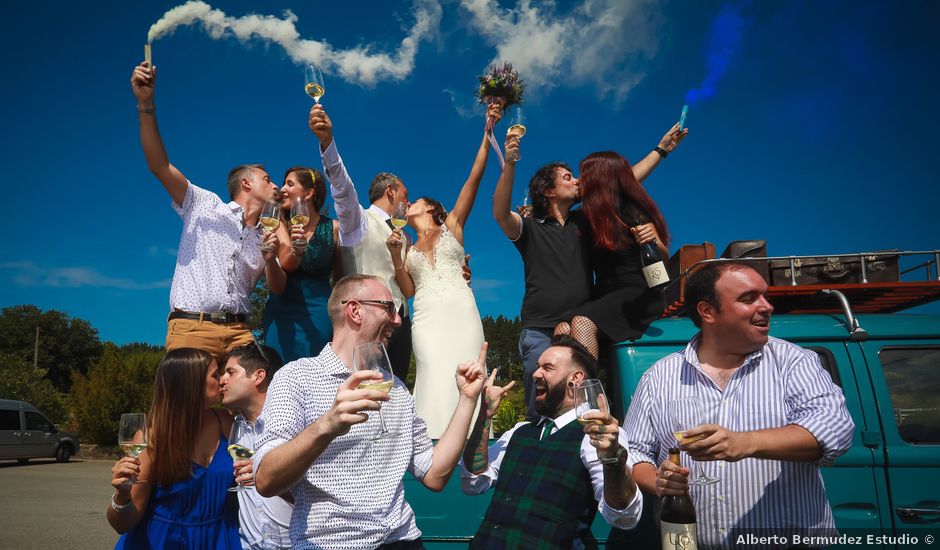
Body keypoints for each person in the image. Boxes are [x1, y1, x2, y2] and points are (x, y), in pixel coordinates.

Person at [624, 262, 855, 548]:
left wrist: (744, 443)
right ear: (708, 311)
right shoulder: (659, 377)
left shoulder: (794, 362)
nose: (767, 306)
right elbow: (633, 451)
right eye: (749, 298)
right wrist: (658, 481)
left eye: (765, 296)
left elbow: (836, 430)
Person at [253, 274, 489, 549]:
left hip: (403, 540)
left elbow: (435, 475)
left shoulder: (396, 388)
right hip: (330, 544)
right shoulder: (295, 377)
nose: (398, 320)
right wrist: (327, 426)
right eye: (389, 307)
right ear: (354, 310)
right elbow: (266, 480)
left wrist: (467, 400)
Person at [492, 124, 686, 420]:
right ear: (549, 191)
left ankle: (592, 422)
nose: (578, 181)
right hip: (540, 328)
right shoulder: (529, 228)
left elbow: (620, 180)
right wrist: (509, 163)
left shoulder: (585, 221)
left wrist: (660, 151)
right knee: (542, 407)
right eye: (568, 178)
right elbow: (500, 212)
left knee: (574, 403)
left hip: (580, 323)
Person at [130, 61, 285, 359]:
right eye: (267, 179)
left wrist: (271, 260)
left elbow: (277, 287)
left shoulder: (267, 235)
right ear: (246, 184)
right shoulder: (203, 204)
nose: (275, 186)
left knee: (254, 400)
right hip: (192, 328)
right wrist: (146, 104)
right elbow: (159, 166)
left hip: (240, 333)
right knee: (187, 407)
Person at [385, 102, 502, 437]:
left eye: (415, 201)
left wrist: (487, 134)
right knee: (433, 373)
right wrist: (396, 255)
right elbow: (408, 290)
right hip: (425, 317)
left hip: (461, 311)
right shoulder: (405, 243)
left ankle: (475, 448)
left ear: (431, 207)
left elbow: (474, 178)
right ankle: (430, 449)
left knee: (468, 370)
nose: (409, 205)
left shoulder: (452, 226)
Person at [460, 336, 642, 548]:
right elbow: (473, 482)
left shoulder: (595, 435)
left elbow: (624, 516)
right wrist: (485, 414)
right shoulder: (519, 432)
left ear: (575, 379)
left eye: (547, 367)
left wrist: (613, 459)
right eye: (537, 367)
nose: (535, 374)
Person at [108, 348, 239, 548]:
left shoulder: (224, 421)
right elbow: (123, 523)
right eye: (215, 374)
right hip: (165, 541)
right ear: (190, 384)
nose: (222, 380)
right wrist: (122, 495)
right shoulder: (151, 438)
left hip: (218, 539)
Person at [555, 151, 672, 359]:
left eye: (585, 174)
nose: (579, 180)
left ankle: (588, 390)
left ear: (599, 179)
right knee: (562, 328)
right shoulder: (585, 216)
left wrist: (655, 241)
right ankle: (575, 386)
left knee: (583, 321)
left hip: (638, 292)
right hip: (604, 295)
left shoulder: (630, 212)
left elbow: (659, 264)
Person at [262, 106, 350, 362]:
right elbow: (288, 263)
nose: (283, 189)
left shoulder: (333, 229)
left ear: (309, 193)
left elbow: (341, 279)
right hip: (281, 313)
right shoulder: (277, 221)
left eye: (290, 184)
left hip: (320, 312)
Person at [220, 343, 293, 549]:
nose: (222, 380)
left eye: (230, 372)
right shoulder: (236, 427)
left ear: (258, 376)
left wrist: (268, 477)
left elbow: (318, 496)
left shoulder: (291, 423)